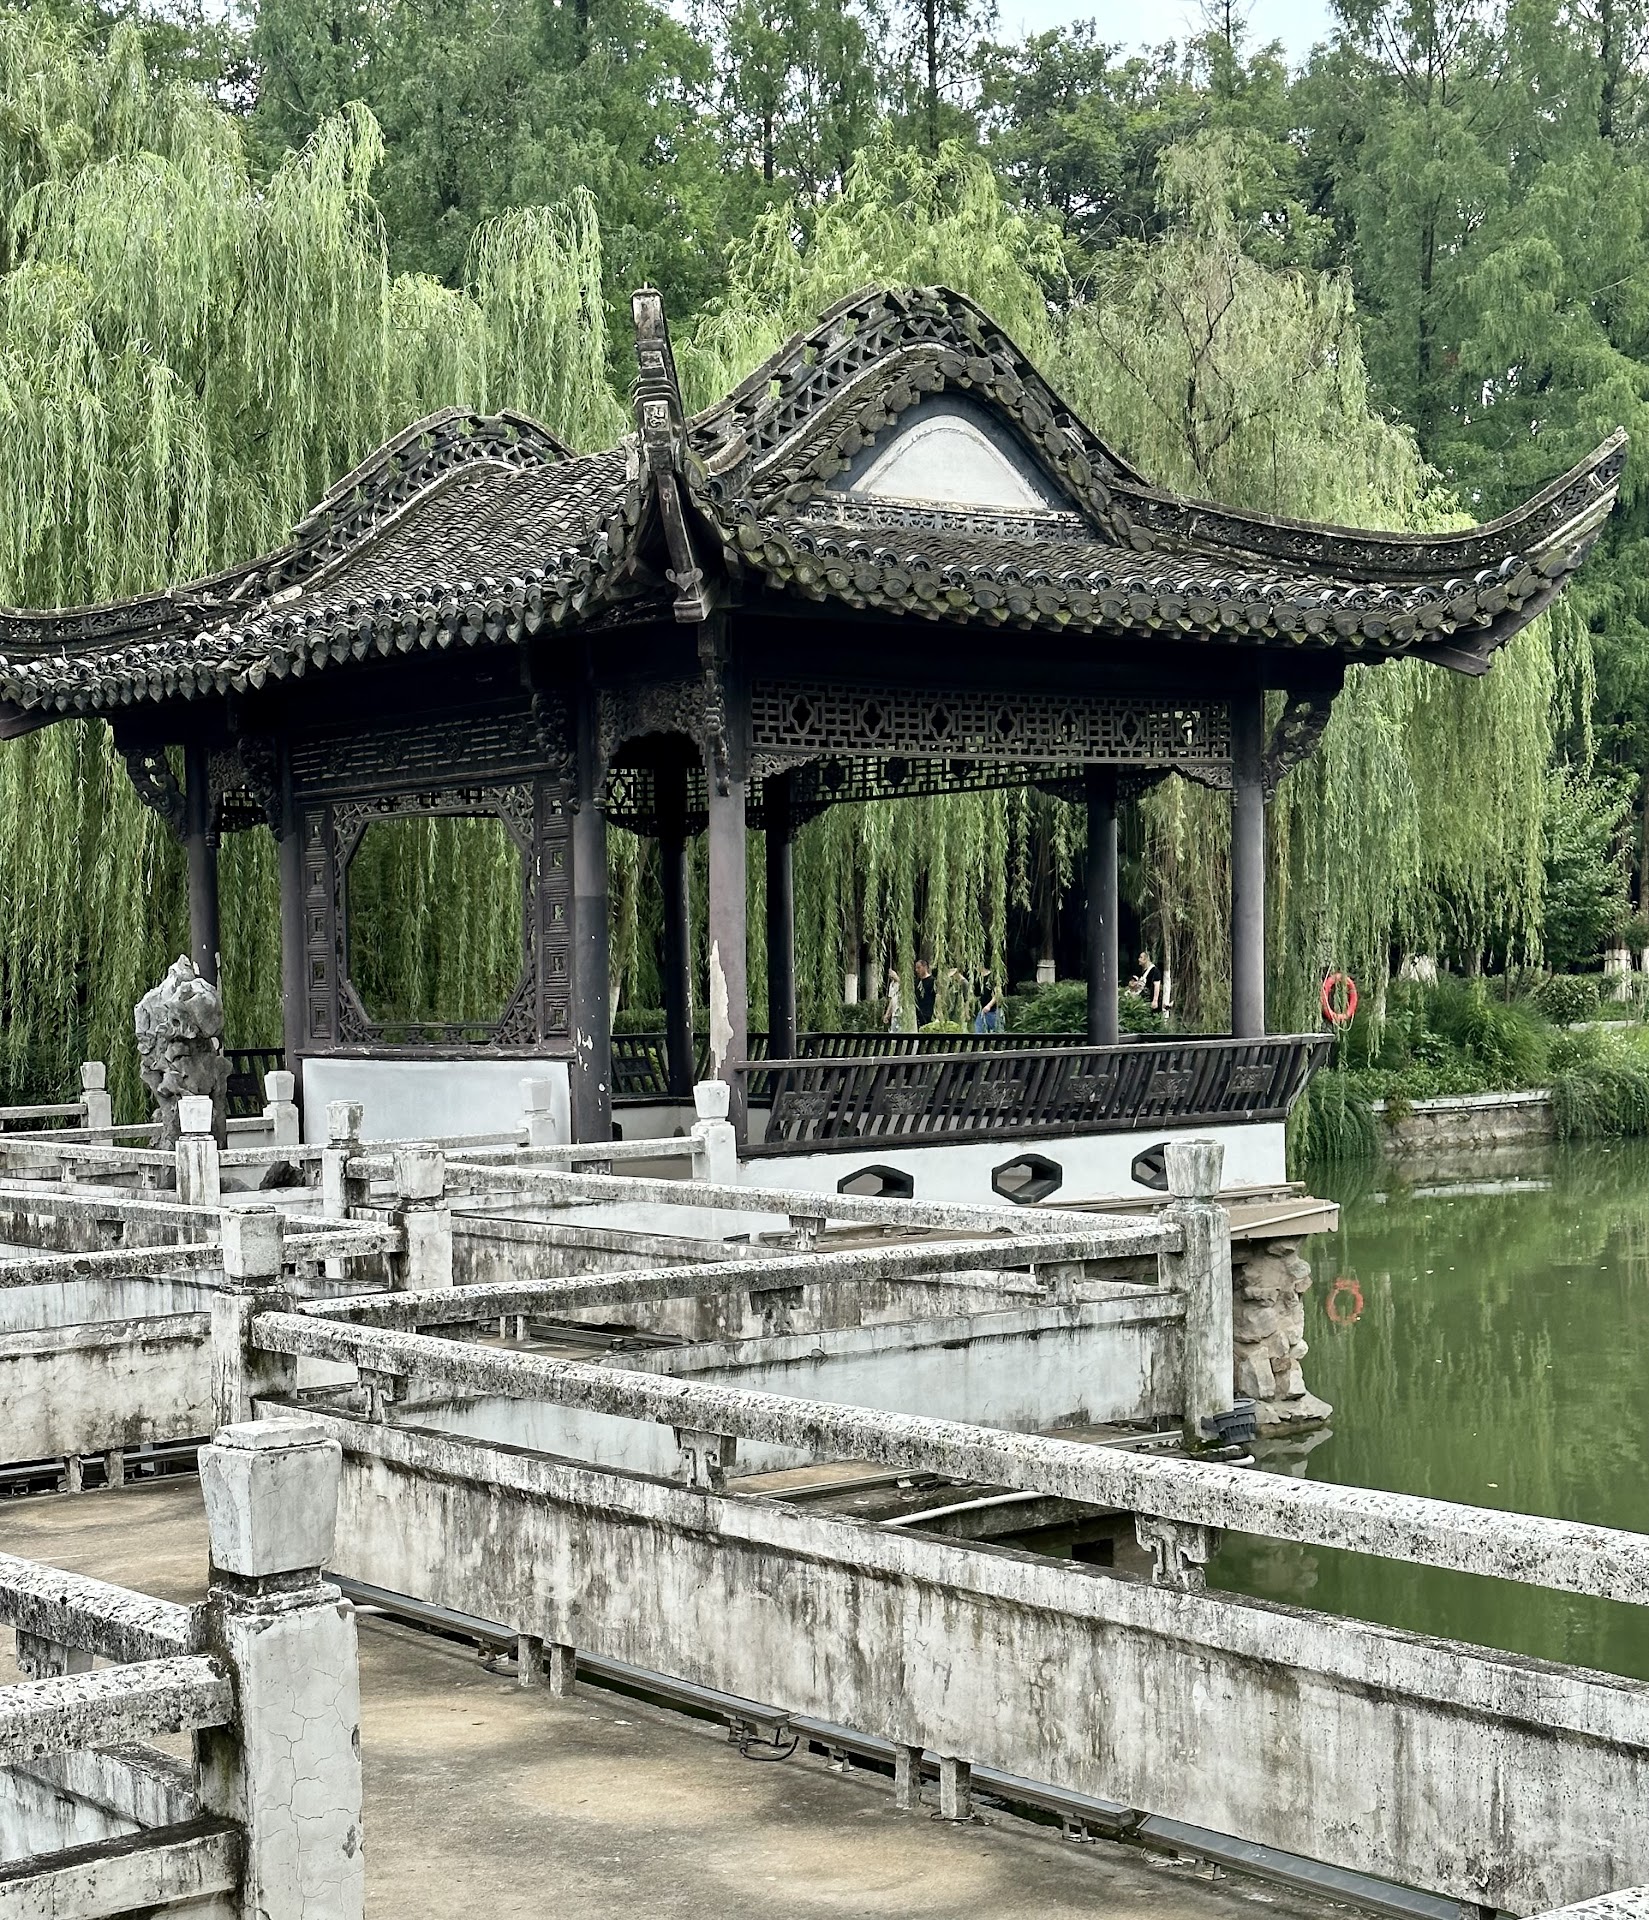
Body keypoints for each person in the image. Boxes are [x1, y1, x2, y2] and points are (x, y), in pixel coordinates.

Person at [914, 958, 936, 1028]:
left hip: (928, 1013)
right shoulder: (916, 982)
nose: (916, 970)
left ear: (925, 967)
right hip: (917, 1014)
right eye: (916, 968)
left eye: (919, 968)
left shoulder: (932, 981)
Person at [884, 966, 903, 1032]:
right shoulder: (891, 984)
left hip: (902, 1013)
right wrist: (887, 1014)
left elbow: (905, 989)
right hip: (894, 1014)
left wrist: (896, 977)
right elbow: (891, 1000)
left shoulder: (903, 982)